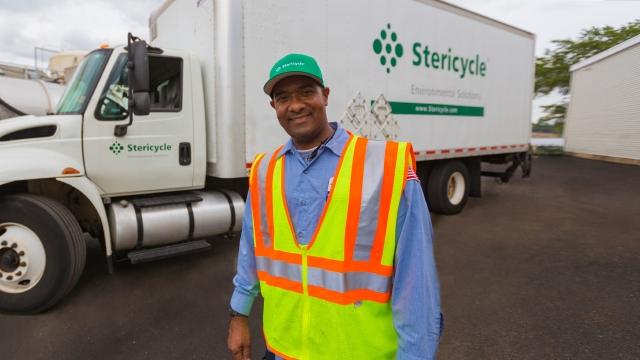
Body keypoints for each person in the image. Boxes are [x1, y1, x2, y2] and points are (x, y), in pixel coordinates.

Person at [227, 53, 442, 360]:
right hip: (283, 350)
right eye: (283, 96)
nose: (296, 104)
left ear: (325, 96)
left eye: (306, 91)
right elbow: (250, 251)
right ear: (273, 106)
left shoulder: (384, 168)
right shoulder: (264, 171)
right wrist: (239, 315)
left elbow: (417, 285)